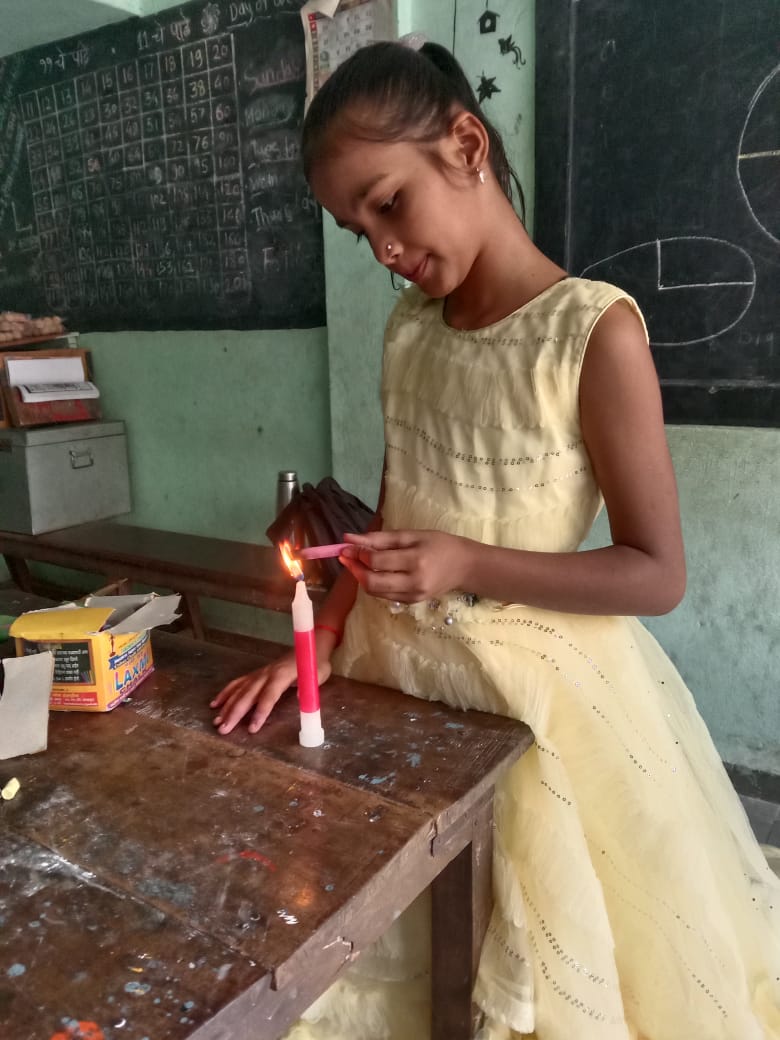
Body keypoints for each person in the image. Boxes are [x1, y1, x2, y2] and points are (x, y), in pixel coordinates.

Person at [210, 38, 780, 1040]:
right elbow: (390, 518)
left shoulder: (593, 332)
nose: (383, 248)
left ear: (464, 144)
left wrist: (466, 561)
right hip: (403, 678)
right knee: (383, 927)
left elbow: (658, 572)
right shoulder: (409, 334)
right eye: (357, 230)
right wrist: (324, 641)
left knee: (537, 957)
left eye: (388, 204)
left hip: (539, 705)